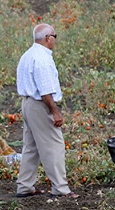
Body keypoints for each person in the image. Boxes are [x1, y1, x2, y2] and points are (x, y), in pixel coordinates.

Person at [15, 23, 78, 199]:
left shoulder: (28, 55)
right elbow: (45, 90)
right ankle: (61, 188)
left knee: (31, 146)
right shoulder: (42, 58)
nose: (55, 41)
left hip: (27, 104)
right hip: (40, 105)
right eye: (54, 37)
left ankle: (25, 185)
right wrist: (55, 111)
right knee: (54, 145)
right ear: (48, 38)